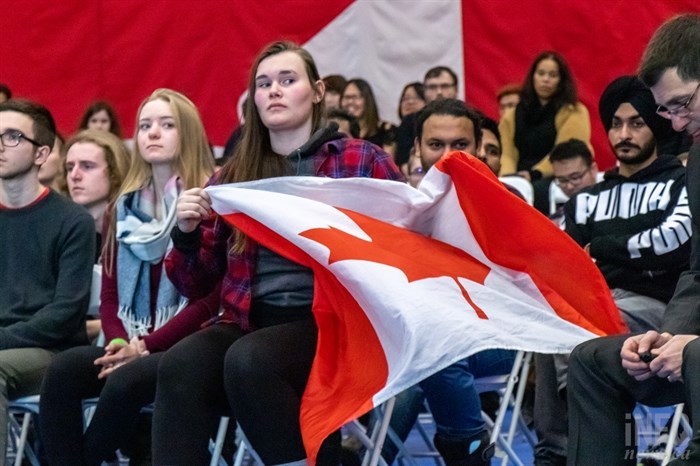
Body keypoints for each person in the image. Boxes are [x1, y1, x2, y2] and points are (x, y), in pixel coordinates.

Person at [152, 40, 403, 466]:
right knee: (180, 365)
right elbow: (194, 282)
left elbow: (405, 246)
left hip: (335, 326)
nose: (274, 91)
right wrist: (187, 233)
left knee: (249, 362)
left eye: (288, 80)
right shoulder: (233, 176)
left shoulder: (362, 160)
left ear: (318, 91)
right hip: (250, 320)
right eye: (263, 83)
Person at [39, 89, 219, 466]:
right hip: (128, 343)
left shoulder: (209, 199)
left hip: (184, 348)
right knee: (64, 370)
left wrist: (144, 346)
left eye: (166, 125)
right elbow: (108, 296)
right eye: (144, 125)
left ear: (187, 133)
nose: (152, 133)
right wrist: (120, 341)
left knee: (126, 380)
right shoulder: (123, 206)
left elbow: (209, 300)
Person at [567, 14, 700, 465]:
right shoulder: (697, 160)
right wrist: (668, 339)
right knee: (588, 357)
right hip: (680, 329)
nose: (676, 125)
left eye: (682, 104)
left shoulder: (677, 172)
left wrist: (694, 346)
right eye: (667, 110)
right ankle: (555, 453)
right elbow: (697, 272)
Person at [0, 98, 95, 465]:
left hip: (50, 351)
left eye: (12, 136)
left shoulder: (72, 221)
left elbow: (65, 313)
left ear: (41, 154)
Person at [499, 51, 591, 213]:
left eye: (552, 75)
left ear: (561, 81)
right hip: (519, 173)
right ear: (533, 76)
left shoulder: (574, 111)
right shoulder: (513, 114)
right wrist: (510, 178)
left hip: (553, 174)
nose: (545, 79)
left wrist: (534, 174)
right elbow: (506, 153)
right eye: (541, 73)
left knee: (538, 190)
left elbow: (566, 152)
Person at [395, 66, 460, 167]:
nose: (439, 92)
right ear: (424, 92)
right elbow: (404, 163)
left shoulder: (471, 120)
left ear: (456, 90)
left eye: (445, 86)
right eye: (432, 87)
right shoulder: (409, 122)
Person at [548, 138, 598, 227]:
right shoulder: (555, 222)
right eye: (562, 180)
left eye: (575, 178)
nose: (569, 186)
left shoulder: (613, 208)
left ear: (593, 170)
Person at [341, 78, 397, 156]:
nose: (350, 102)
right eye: (347, 97)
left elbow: (388, 164)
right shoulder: (338, 132)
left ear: (367, 100)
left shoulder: (385, 130)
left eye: (355, 97)